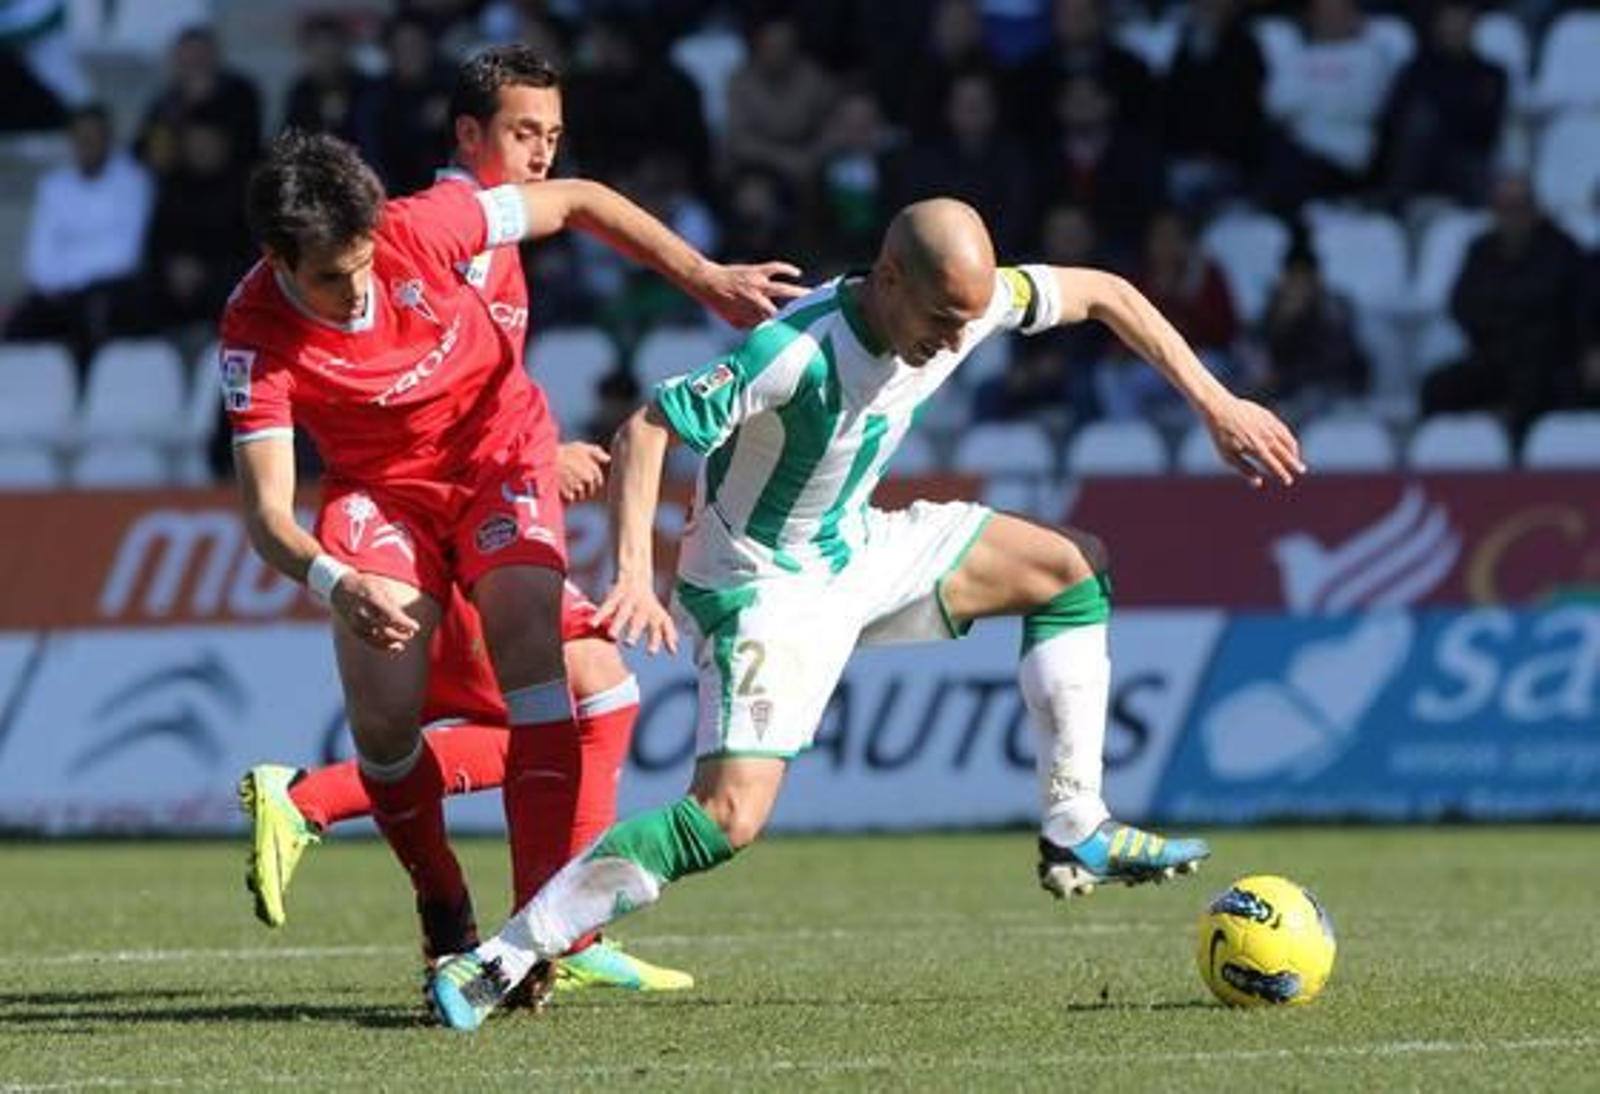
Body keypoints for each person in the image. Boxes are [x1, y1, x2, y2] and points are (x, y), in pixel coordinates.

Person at [427, 197, 1305, 1030]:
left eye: (969, 321)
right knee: (728, 817)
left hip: (857, 548)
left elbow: (1108, 292)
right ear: (889, 279)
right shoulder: (795, 351)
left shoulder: (962, 303)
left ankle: (1076, 824)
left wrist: (1217, 404)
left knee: (1072, 571)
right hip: (759, 585)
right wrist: (631, 573)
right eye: (940, 322)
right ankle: (498, 958)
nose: (956, 340)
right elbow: (650, 429)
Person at [236, 45, 774, 995]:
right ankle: (442, 902)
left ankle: (531, 937)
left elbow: (581, 201)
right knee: (387, 723)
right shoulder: (252, 332)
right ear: (279, 262)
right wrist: (334, 577)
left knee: (550, 657)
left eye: (363, 266)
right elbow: (268, 511)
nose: (358, 292)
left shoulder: (422, 224)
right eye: (330, 279)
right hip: (382, 494)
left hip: (498, 454)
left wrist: (704, 278)